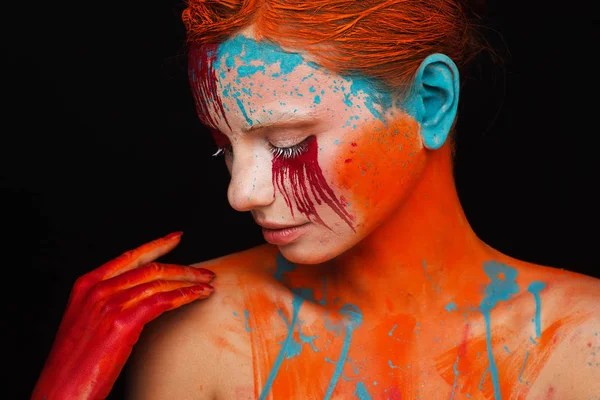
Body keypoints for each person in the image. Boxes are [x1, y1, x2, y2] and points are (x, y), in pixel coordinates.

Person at [33, 1, 599, 399]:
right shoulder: (203, 330)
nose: (240, 193)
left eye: (287, 143)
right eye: (221, 147)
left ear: (430, 101)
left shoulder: (581, 342)